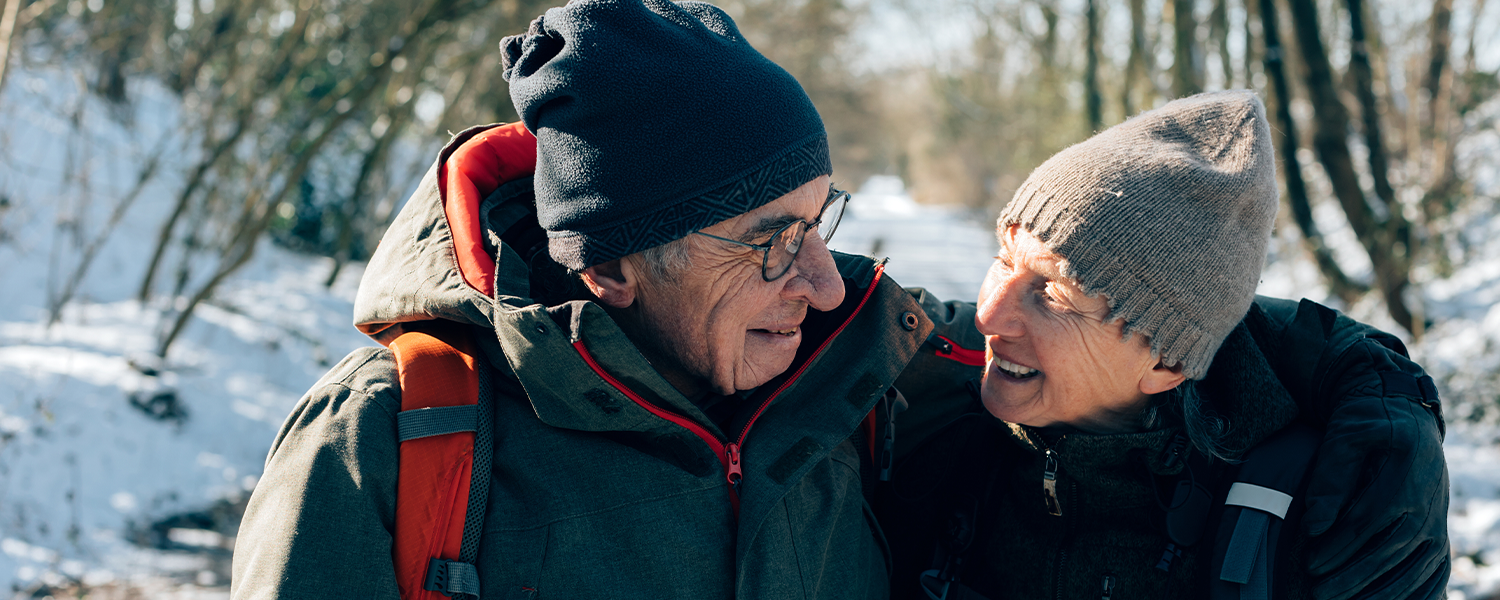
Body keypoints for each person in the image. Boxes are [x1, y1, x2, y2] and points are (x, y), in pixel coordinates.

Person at [230, 1, 934, 598]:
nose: (825, 283)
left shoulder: (858, 372)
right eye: (772, 241)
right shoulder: (383, 438)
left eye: (819, 221)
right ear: (610, 267)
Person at [882, 91, 1450, 599]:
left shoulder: (1318, 525)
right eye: (1003, 260)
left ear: (1167, 361)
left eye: (1053, 292)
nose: (989, 315)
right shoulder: (927, 402)